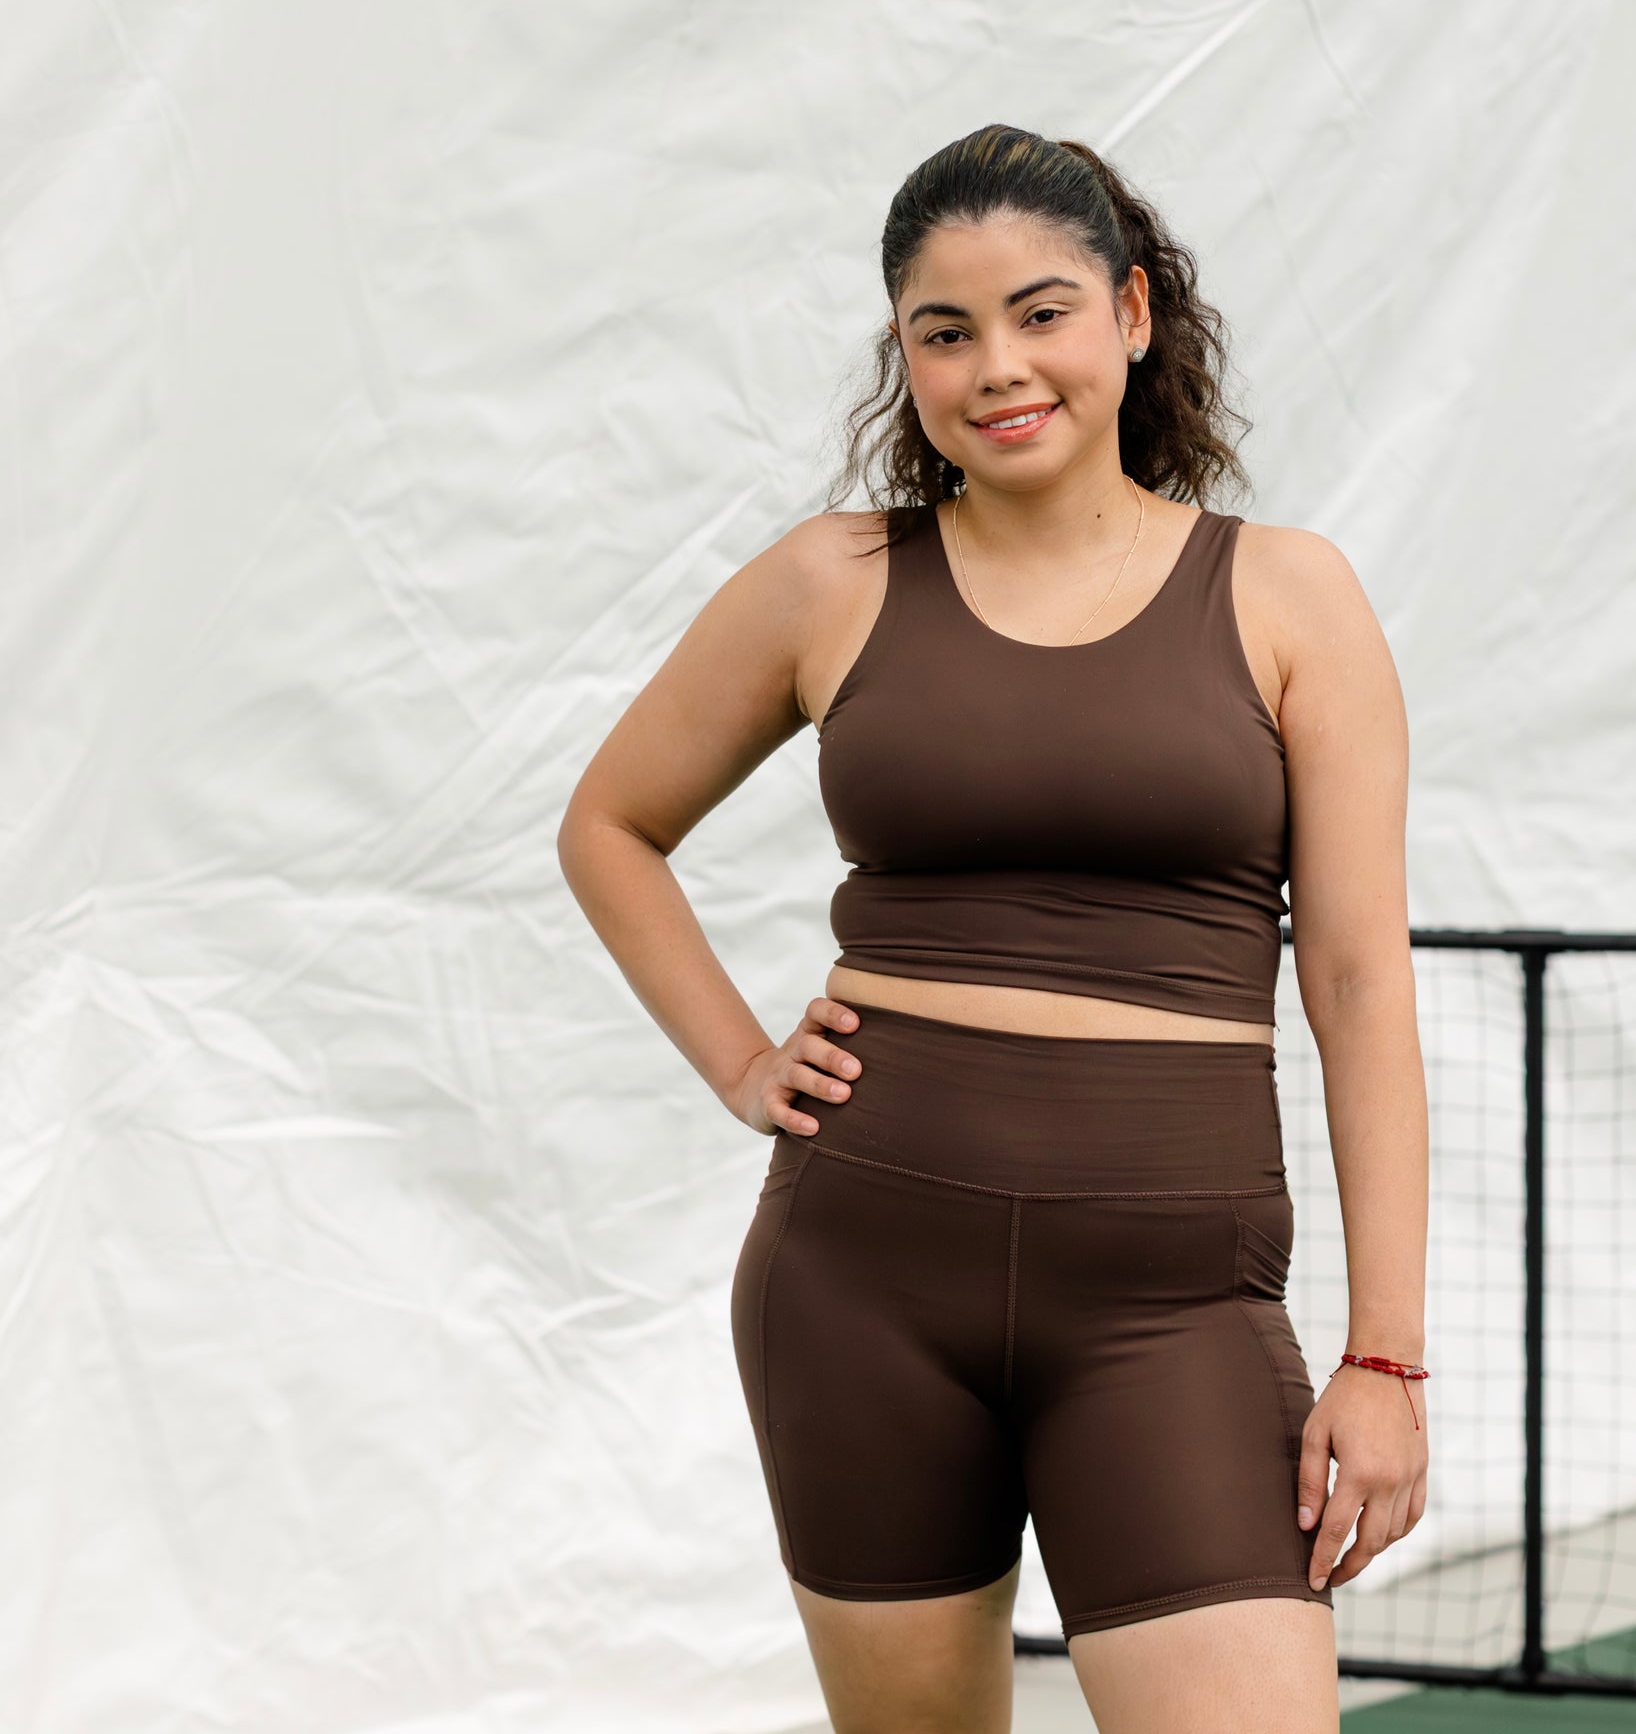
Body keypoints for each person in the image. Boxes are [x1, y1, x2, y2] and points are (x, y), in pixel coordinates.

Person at [557, 123, 1428, 1734]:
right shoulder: (832, 583)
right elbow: (609, 827)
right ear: (903, 353)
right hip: (860, 1285)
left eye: (1042, 313)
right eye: (943, 333)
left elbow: (1362, 980)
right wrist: (746, 1064)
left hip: (1175, 1303)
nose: (997, 367)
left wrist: (1385, 1359)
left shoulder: (1291, 597)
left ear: (1134, 316)